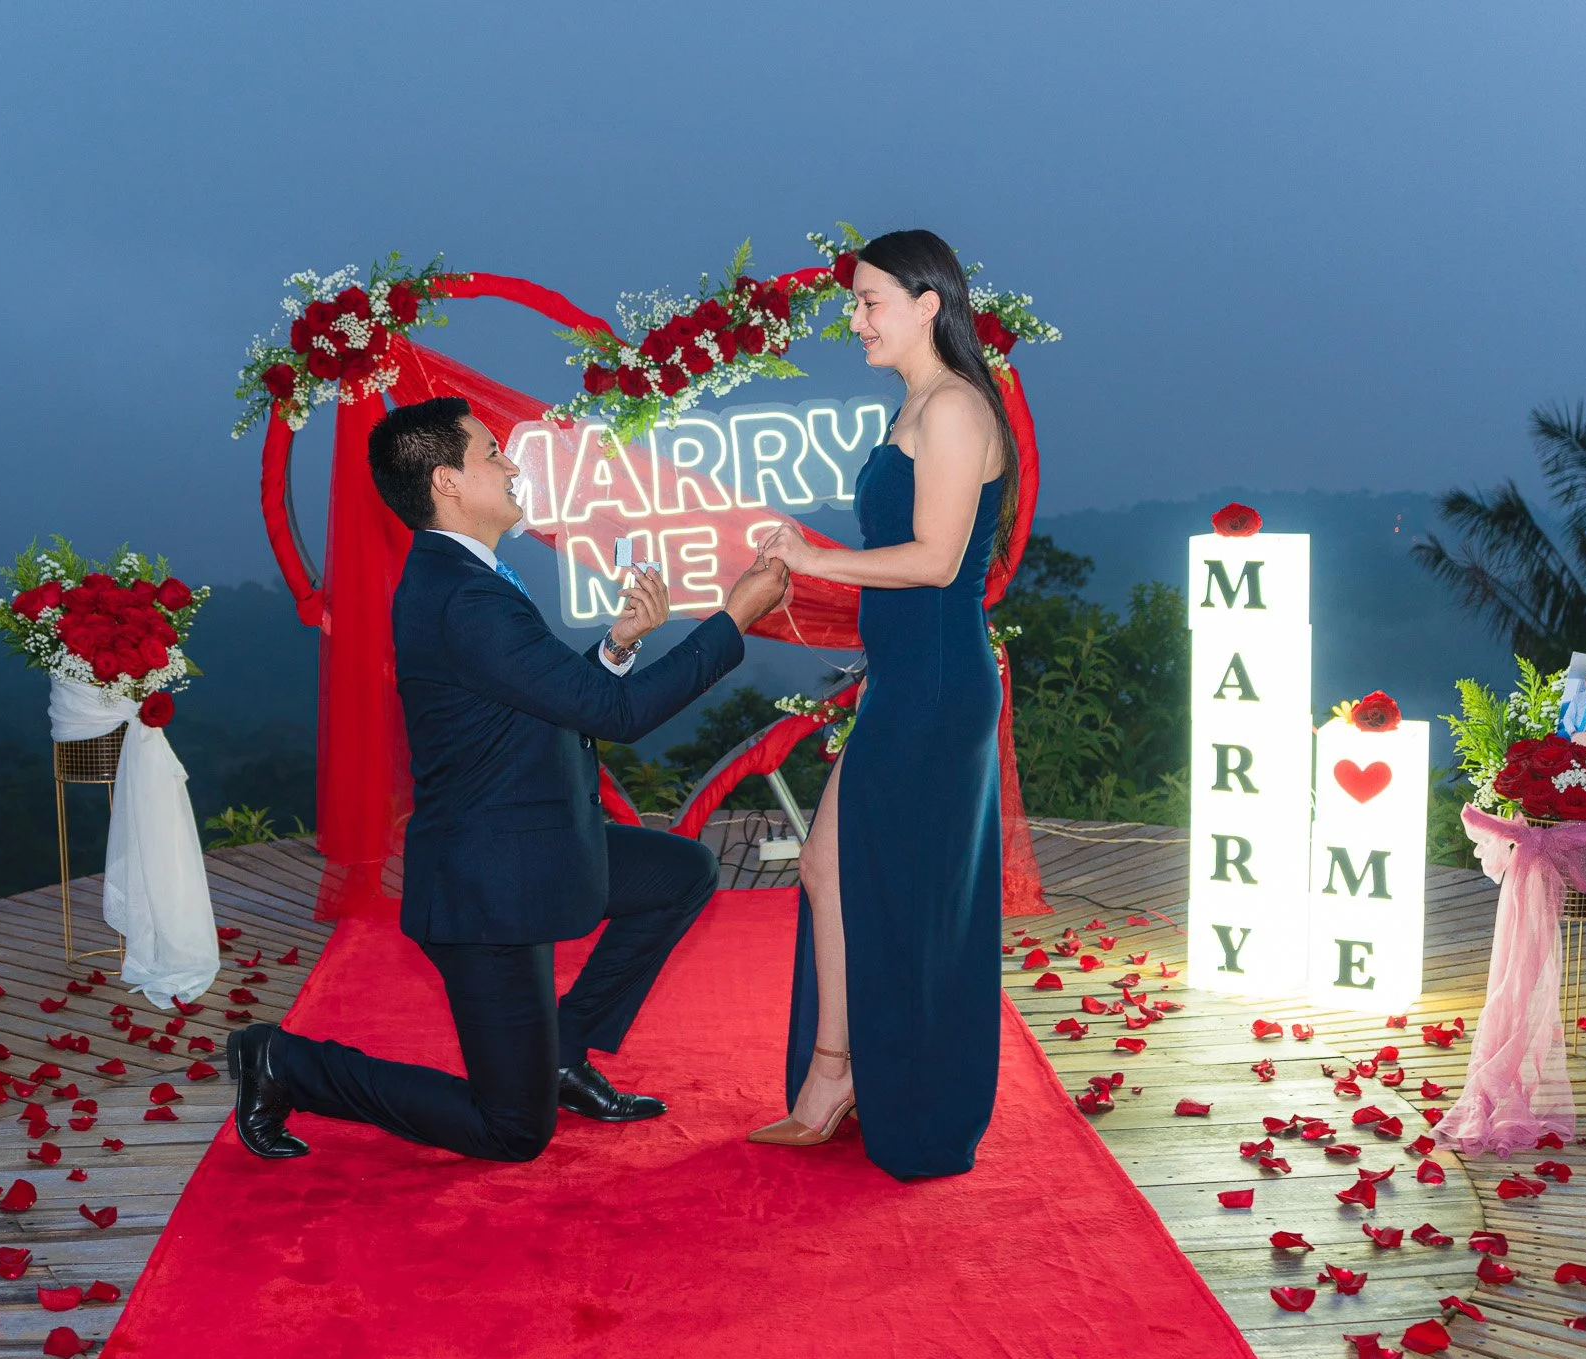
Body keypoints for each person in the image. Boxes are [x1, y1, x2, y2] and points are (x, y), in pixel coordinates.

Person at [225, 395, 790, 1163]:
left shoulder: (466, 576)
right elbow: (618, 715)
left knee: (679, 871)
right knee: (513, 1130)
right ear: (447, 481)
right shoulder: (463, 596)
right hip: (485, 889)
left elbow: (547, 700)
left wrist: (617, 645)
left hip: (533, 846)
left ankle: (564, 1048)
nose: (513, 464)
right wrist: (732, 620)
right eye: (492, 453)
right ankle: (282, 1062)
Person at [753, 228, 1015, 1179]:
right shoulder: (920, 402)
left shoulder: (954, 407)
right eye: (855, 302)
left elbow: (938, 561)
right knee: (827, 866)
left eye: (870, 302)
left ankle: (910, 1102)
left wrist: (815, 556)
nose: (855, 319)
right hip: (909, 678)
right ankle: (835, 1072)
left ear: (927, 304)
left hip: (936, 687)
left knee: (909, 898)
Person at [1559, 669, 1586, 741]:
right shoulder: (1577, 697)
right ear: (1585, 682)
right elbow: (1568, 717)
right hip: (1573, 729)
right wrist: (1573, 733)